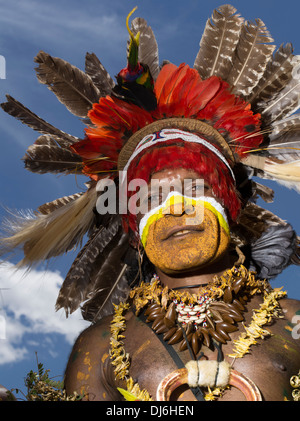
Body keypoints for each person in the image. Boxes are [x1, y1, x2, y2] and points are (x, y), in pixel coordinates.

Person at [1, 5, 300, 401]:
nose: (176, 207)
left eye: (195, 190)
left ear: (230, 206)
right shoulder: (100, 347)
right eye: (152, 198)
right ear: (133, 226)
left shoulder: (292, 322)